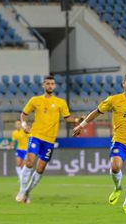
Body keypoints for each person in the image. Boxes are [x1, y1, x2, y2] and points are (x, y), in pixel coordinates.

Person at [73, 71, 126, 214]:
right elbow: (97, 111)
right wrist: (82, 125)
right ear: (123, 84)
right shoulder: (114, 99)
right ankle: (117, 188)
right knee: (115, 166)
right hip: (119, 142)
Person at [16, 75, 83, 203]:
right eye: (47, 83)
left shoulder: (60, 102)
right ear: (43, 85)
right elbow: (23, 115)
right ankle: (22, 190)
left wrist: (76, 120)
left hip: (50, 140)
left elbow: (67, 118)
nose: (50, 86)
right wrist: (24, 125)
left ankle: (27, 192)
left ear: (55, 86)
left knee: (40, 169)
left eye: (52, 84)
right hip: (36, 136)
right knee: (29, 162)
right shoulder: (35, 100)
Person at [8, 119, 30, 192]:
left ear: (21, 125)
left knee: (23, 165)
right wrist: (10, 146)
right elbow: (13, 141)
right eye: (16, 124)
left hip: (26, 150)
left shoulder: (24, 131)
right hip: (19, 149)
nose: (17, 125)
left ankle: (23, 178)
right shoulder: (14, 133)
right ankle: (21, 178)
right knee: (18, 163)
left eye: (18, 124)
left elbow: (30, 136)